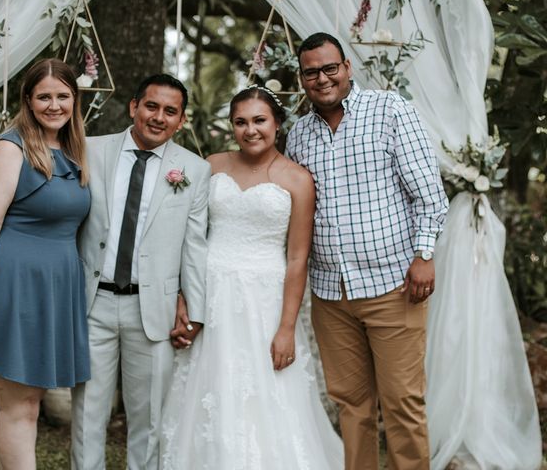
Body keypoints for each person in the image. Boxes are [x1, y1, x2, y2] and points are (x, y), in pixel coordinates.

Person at [286, 32, 448, 470]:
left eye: (329, 68)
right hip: (330, 294)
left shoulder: (390, 110)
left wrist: (424, 256)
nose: (321, 78)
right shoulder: (298, 135)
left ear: (347, 67)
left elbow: (430, 196)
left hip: (394, 286)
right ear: (302, 78)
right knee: (351, 406)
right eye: (311, 72)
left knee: (402, 404)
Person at [159, 86, 345, 470]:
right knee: (207, 388)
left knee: (266, 394)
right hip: (209, 290)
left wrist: (287, 328)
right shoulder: (211, 165)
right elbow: (188, 239)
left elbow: (297, 258)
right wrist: (184, 298)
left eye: (259, 120)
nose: (250, 130)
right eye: (240, 122)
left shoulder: (298, 180)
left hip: (264, 298)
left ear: (277, 123)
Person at [0, 58, 91, 469]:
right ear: (28, 100)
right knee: (19, 407)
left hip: (53, 289)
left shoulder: (74, 149)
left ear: (75, 100)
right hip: (12, 284)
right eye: (44, 96)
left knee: (30, 404)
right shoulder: (12, 148)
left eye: (63, 96)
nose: (54, 105)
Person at [70, 74, 210, 470]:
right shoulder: (89, 151)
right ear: (133, 107)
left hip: (155, 310)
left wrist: (194, 310)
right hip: (91, 302)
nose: (159, 118)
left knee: (149, 420)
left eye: (171, 111)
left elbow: (194, 246)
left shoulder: (194, 170)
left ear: (181, 120)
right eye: (151, 107)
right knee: (86, 417)